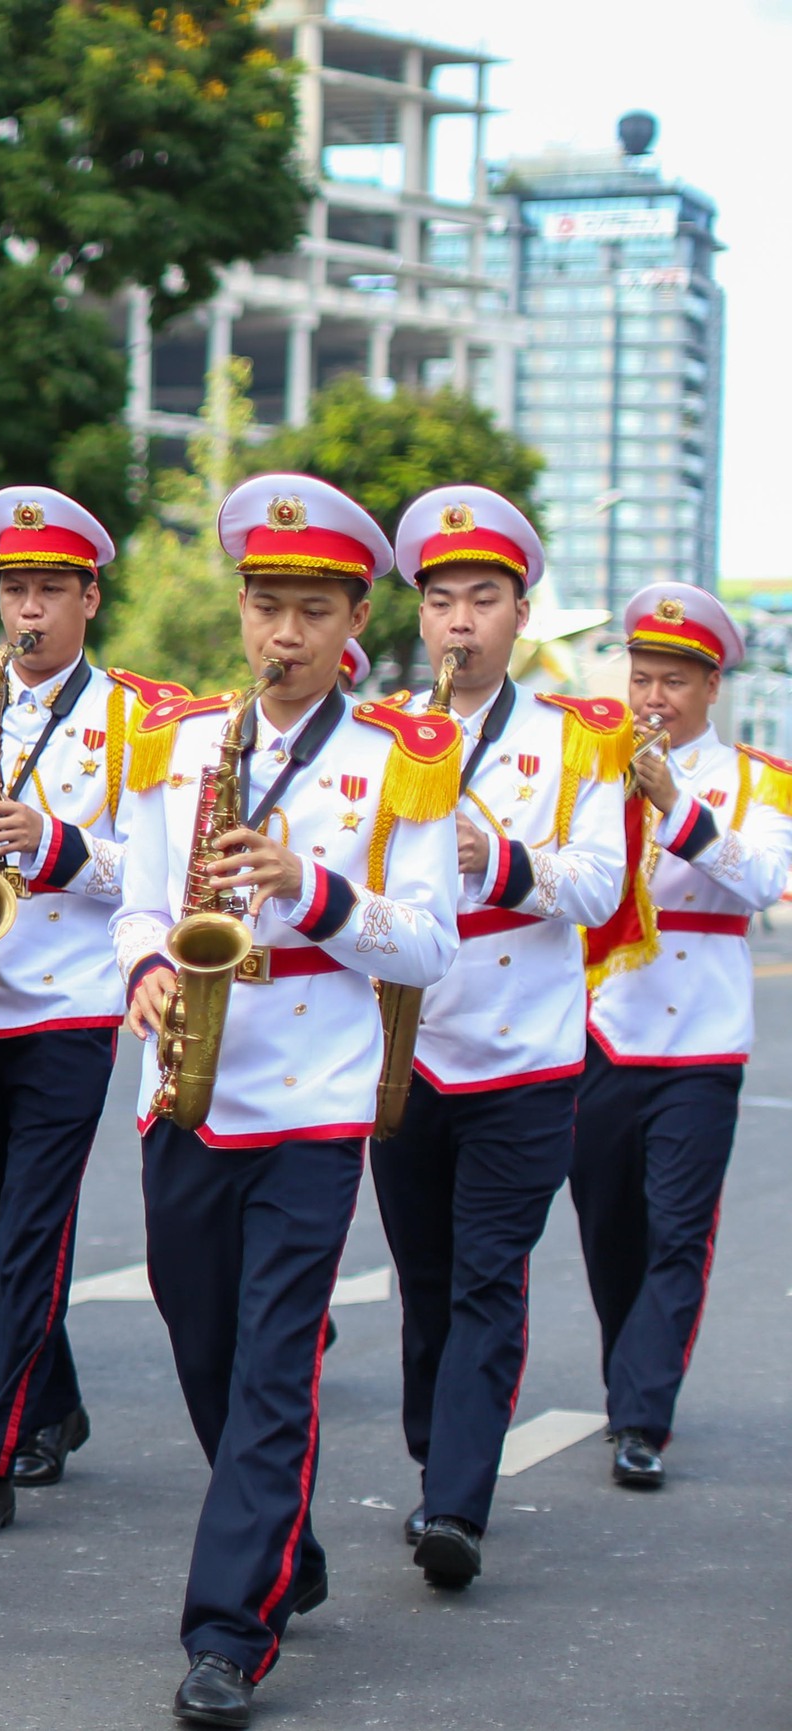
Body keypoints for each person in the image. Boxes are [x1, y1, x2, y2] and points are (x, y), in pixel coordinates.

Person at [113, 474, 459, 1726]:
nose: (285, 634)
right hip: (186, 1085)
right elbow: (137, 903)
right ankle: (279, 1546)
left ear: (355, 617)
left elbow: (429, 944)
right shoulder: (179, 744)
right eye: (266, 607)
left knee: (272, 1364)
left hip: (313, 1095)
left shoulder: (401, 760)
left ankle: (227, 1632)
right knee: (202, 1345)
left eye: (313, 611)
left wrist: (310, 890)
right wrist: (145, 967)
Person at [0, 489, 188, 1539]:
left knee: (31, 1231)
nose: (26, 611)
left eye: (47, 592)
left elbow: (158, 872)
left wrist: (56, 841)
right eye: (14, 591)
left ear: (89, 598)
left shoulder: (140, 719)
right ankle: (55, 1404)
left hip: (72, 1004)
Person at [368, 488, 626, 1591]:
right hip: (406, 1048)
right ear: (420, 616)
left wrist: (497, 859)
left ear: (521, 614)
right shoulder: (379, 732)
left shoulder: (576, 739)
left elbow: (601, 885)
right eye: (441, 602)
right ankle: (442, 1453)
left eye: (483, 599)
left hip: (522, 1056)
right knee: (425, 1278)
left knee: (486, 1276)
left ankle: (456, 1500)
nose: (460, 622)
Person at [571, 583, 792, 1492]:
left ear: (710, 687)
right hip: (602, 1026)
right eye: (641, 678)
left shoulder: (757, 778)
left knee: (677, 1230)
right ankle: (630, 1369)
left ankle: (642, 1414)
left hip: (700, 1041)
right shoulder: (593, 767)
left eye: (673, 681)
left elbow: (764, 880)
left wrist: (678, 804)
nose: (653, 698)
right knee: (607, 1225)